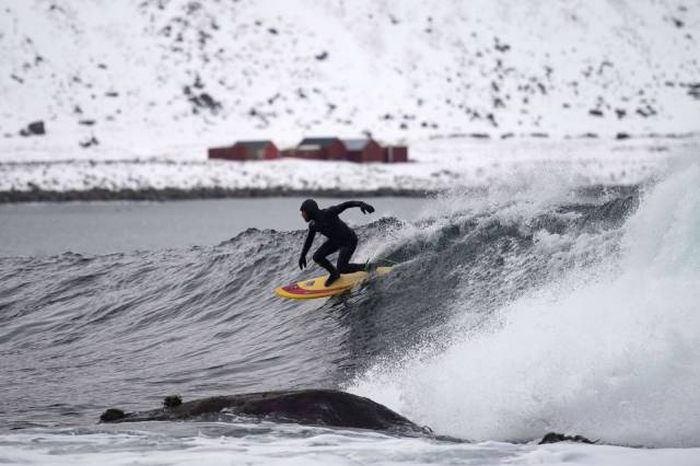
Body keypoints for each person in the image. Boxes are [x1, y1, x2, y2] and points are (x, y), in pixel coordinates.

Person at [298, 199, 375, 286]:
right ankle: (334, 274)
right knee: (317, 257)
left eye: (303, 212)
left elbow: (345, 204)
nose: (302, 215)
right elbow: (309, 241)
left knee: (342, 268)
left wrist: (361, 204)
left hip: (348, 240)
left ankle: (368, 267)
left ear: (310, 211)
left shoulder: (329, 212)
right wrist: (302, 255)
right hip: (335, 241)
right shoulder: (313, 225)